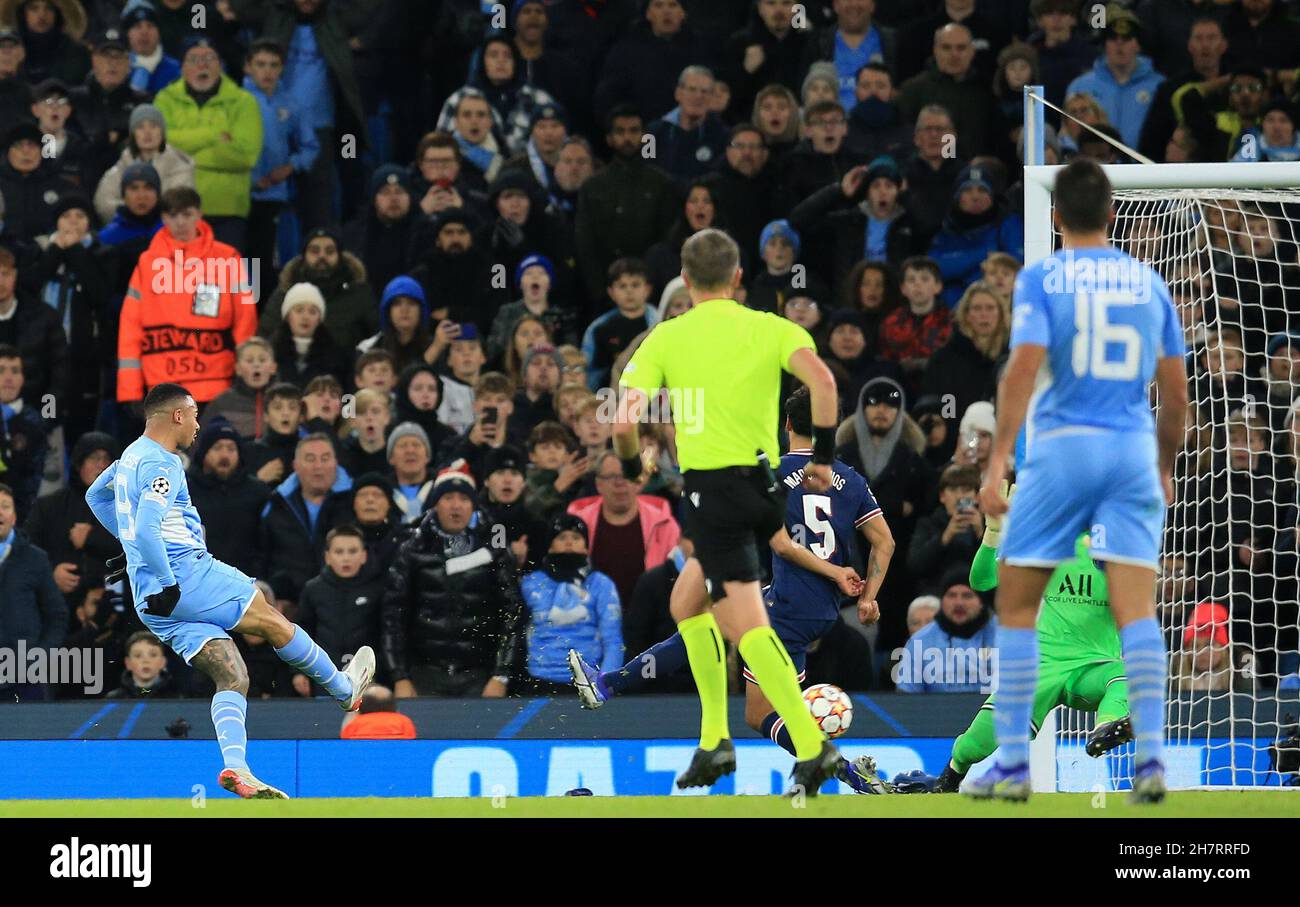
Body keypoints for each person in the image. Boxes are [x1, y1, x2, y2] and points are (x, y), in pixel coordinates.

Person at [971, 159, 1188, 803]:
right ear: (1115, 213)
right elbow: (1174, 393)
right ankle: (1150, 756)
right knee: (1136, 610)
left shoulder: (1043, 278)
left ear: (1056, 215)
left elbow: (1022, 370)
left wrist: (997, 460)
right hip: (1128, 451)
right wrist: (1165, 466)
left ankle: (1013, 761)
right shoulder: (1148, 283)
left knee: (1015, 605)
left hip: (1062, 449)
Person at [572, 383, 896, 792]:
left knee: (722, 655)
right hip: (817, 607)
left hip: (791, 602)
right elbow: (884, 541)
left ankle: (841, 768)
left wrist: (833, 573)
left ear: (787, 423)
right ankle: (609, 684)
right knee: (727, 656)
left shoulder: (775, 472)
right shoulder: (849, 478)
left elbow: (781, 543)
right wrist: (868, 598)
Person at [612, 227, 845, 794]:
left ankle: (814, 748)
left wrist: (627, 466)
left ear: (685, 281)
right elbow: (823, 380)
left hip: (714, 495)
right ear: (739, 277)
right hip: (762, 488)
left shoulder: (666, 337)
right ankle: (714, 739)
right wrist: (824, 456)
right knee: (686, 602)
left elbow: (622, 422)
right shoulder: (770, 326)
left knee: (746, 623)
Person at [85, 383, 375, 797]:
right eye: (196, 414)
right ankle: (345, 690)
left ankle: (237, 769)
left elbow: (95, 495)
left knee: (232, 674)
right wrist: (165, 575)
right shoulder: (163, 463)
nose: (199, 424)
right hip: (183, 575)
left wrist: (131, 550)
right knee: (273, 621)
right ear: (178, 416)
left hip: (148, 596)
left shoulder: (129, 456)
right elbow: (148, 525)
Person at [933, 509, 1132, 792]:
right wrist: (993, 535)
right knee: (972, 747)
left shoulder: (1123, 548)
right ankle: (948, 781)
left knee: (1128, 674)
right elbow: (981, 581)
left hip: (1094, 665)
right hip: (1042, 667)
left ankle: (1107, 728)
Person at [382, 462, 525, 698]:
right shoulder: (412, 550)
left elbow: (512, 614)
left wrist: (501, 675)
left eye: (463, 498)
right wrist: (400, 677)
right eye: (448, 497)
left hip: (480, 677)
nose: (456, 506)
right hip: (423, 676)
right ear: (436, 503)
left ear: (473, 505)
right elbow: (392, 617)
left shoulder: (494, 550)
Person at [116, 186, 257, 407]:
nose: (180, 222)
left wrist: (246, 374)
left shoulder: (229, 257)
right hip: (164, 389)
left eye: (187, 214)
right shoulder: (147, 263)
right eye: (173, 215)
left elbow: (246, 322)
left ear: (199, 215)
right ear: (163, 218)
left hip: (217, 386)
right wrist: (130, 390)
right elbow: (130, 329)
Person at [152, 37, 262, 250]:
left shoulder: (244, 102)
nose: (202, 65)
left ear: (220, 65)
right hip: (177, 211)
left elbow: (246, 155)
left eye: (209, 58)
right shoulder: (164, 99)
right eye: (193, 59)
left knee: (222, 281)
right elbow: (159, 145)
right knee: (179, 281)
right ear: (182, 67)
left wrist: (187, 154)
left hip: (227, 211)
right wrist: (213, 136)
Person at [519, 513, 622, 695]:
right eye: (562, 537)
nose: (569, 542)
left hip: (589, 682)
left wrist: (605, 683)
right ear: (550, 546)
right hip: (539, 682)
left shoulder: (601, 584)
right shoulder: (530, 583)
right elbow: (517, 633)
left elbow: (613, 640)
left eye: (576, 537)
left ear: (586, 547)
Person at [257, 431, 353, 604]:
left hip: (343, 603)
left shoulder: (354, 501)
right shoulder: (277, 504)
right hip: (287, 606)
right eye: (310, 459)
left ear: (336, 463)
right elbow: (261, 556)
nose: (318, 466)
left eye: (325, 458)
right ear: (296, 465)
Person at [295, 525, 383, 695]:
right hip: (323, 677)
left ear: (364, 555)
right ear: (327, 556)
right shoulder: (313, 589)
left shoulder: (377, 590)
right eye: (339, 552)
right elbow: (302, 631)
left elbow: (383, 635)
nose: (346, 558)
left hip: (368, 679)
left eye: (352, 551)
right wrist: (298, 672)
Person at [1063, 5, 1165, 151]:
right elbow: (1067, 133)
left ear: (1138, 44)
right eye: (1112, 37)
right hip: (1095, 168)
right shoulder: (1080, 86)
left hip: (1145, 169)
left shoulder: (1158, 86)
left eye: (1127, 37)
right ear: (1104, 44)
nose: (1119, 43)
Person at [186, 416, 272, 580]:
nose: (225, 455)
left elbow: (268, 544)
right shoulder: (186, 491)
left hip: (247, 583)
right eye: (217, 448)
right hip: (199, 582)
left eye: (231, 448)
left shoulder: (258, 493)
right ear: (204, 453)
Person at [894, 568, 997, 693]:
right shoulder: (919, 641)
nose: (959, 603)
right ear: (942, 600)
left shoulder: (1004, 633)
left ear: (982, 602)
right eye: (952, 595)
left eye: (967, 595)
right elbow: (906, 697)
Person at [0, 345, 49, 520]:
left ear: (22, 379)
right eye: (1, 370)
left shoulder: (34, 423)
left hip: (19, 517)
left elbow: (33, 479)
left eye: (15, 371)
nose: (8, 378)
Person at [106, 631, 182, 698]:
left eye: (153, 655)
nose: (145, 661)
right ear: (128, 663)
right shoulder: (114, 699)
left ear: (163, 662)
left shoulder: (176, 699)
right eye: (138, 655)